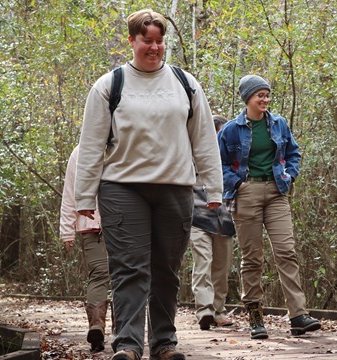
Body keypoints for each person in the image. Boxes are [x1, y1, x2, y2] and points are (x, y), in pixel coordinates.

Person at [74, 9, 222, 360]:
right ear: (132, 41)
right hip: (122, 188)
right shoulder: (110, 85)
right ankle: (126, 344)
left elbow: (204, 141)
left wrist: (213, 190)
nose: (154, 48)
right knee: (129, 267)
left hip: (176, 188)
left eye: (159, 41)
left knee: (166, 269)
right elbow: (92, 145)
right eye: (147, 41)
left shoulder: (185, 83)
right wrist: (84, 198)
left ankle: (164, 343)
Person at [217, 75, 321, 340]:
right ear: (247, 98)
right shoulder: (230, 130)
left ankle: (298, 315)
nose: (264, 99)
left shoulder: (279, 124)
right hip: (246, 192)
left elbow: (293, 153)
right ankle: (255, 317)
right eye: (259, 95)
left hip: (276, 192)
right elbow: (220, 164)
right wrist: (237, 184)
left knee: (286, 251)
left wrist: (290, 175)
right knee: (252, 258)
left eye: (266, 94)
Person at [59, 145, 110, 353]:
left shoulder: (80, 150)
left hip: (93, 225)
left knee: (98, 276)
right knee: (124, 277)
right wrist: (66, 230)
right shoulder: (81, 151)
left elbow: (69, 192)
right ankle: (119, 331)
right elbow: (70, 191)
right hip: (117, 224)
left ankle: (97, 325)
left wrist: (67, 230)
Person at [190, 115, 235, 331]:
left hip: (225, 220)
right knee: (202, 263)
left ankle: (218, 311)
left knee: (222, 267)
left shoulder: (230, 161)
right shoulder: (193, 154)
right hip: (197, 218)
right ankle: (204, 311)